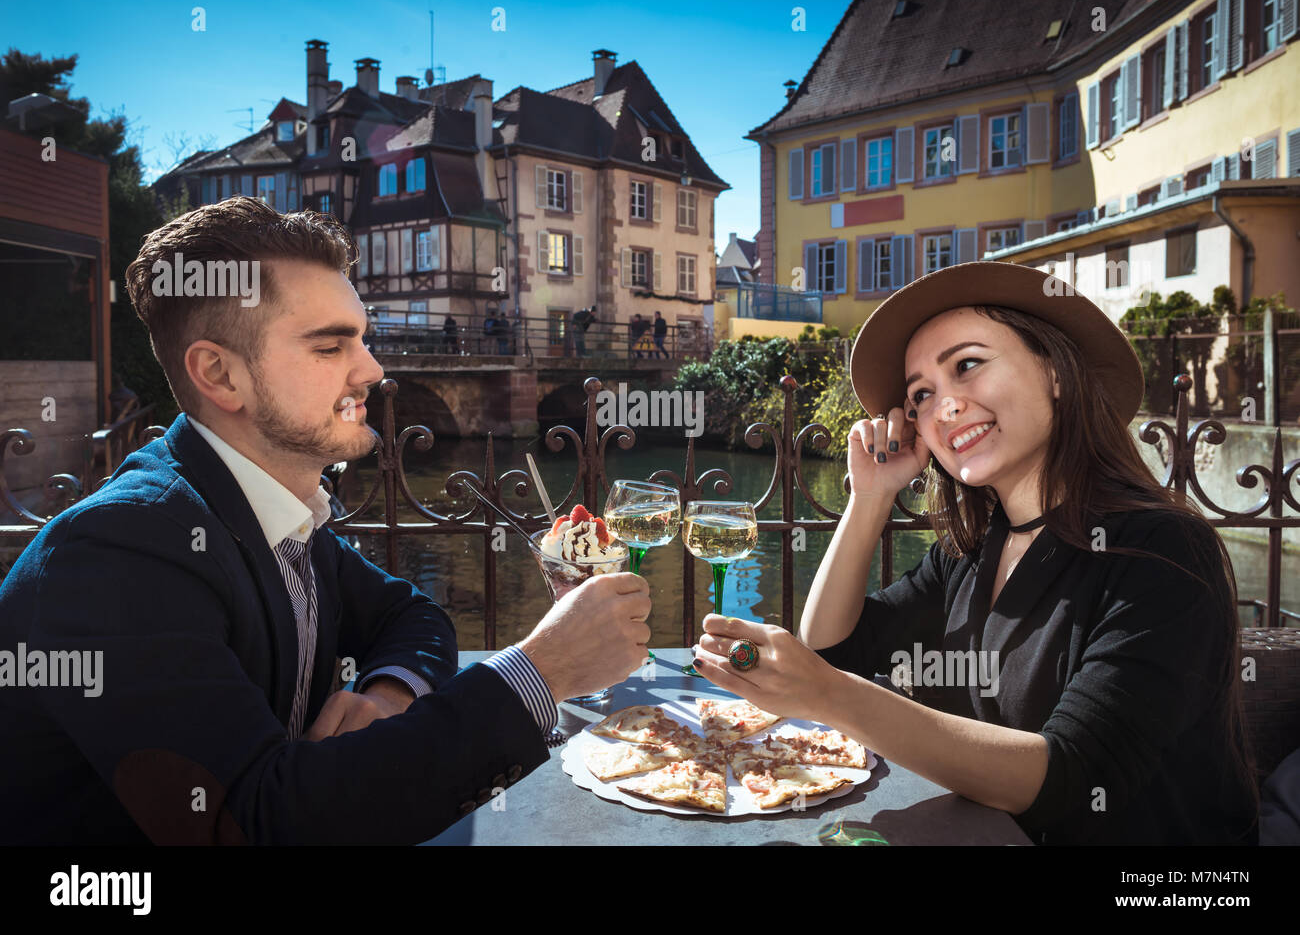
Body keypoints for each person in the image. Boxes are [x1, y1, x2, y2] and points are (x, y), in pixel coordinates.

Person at [0, 197, 652, 844]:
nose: (372, 369)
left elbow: (412, 617)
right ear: (221, 374)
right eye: (330, 345)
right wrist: (543, 669)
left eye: (362, 339)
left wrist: (387, 697)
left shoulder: (273, 511)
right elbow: (254, 824)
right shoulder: (118, 554)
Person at [690, 261, 1259, 845]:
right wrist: (871, 497)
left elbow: (1070, 777)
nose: (945, 406)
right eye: (921, 396)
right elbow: (834, 648)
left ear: (1056, 372)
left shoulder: (1163, 552)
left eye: (968, 365)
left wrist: (829, 696)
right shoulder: (969, 553)